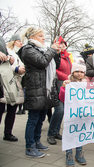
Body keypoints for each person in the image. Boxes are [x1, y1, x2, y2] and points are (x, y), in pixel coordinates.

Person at [18, 26, 60, 158]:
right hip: (35, 89)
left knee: (41, 118)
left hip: (44, 89)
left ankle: (36, 142)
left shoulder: (41, 49)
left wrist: (56, 52)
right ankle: (30, 147)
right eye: (41, 36)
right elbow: (42, 62)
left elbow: (54, 64)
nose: (44, 38)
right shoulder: (27, 49)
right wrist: (52, 50)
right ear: (32, 37)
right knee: (33, 119)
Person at [59, 62, 88, 166]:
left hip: (82, 114)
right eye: (77, 71)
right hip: (70, 114)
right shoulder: (68, 83)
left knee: (80, 133)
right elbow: (62, 98)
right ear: (72, 72)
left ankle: (79, 153)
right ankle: (69, 153)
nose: (79, 74)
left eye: (82, 72)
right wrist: (63, 88)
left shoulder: (87, 84)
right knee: (69, 134)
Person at [47, 36, 73, 145]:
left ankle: (56, 131)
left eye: (64, 44)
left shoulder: (67, 57)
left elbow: (70, 69)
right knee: (59, 109)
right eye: (60, 43)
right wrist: (66, 77)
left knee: (62, 110)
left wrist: (70, 77)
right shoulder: (54, 56)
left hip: (66, 84)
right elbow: (54, 70)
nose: (62, 46)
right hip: (57, 84)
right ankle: (50, 134)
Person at [0, 36, 18, 142]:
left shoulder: (1, 39)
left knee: (12, 107)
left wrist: (9, 58)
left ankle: (8, 133)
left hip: (7, 79)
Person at [6, 34, 25, 115]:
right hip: (7, 82)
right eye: (19, 41)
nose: (21, 43)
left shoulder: (17, 54)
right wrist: (16, 69)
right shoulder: (7, 51)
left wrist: (22, 70)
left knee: (12, 111)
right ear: (13, 42)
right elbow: (5, 66)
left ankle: (8, 128)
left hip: (17, 81)